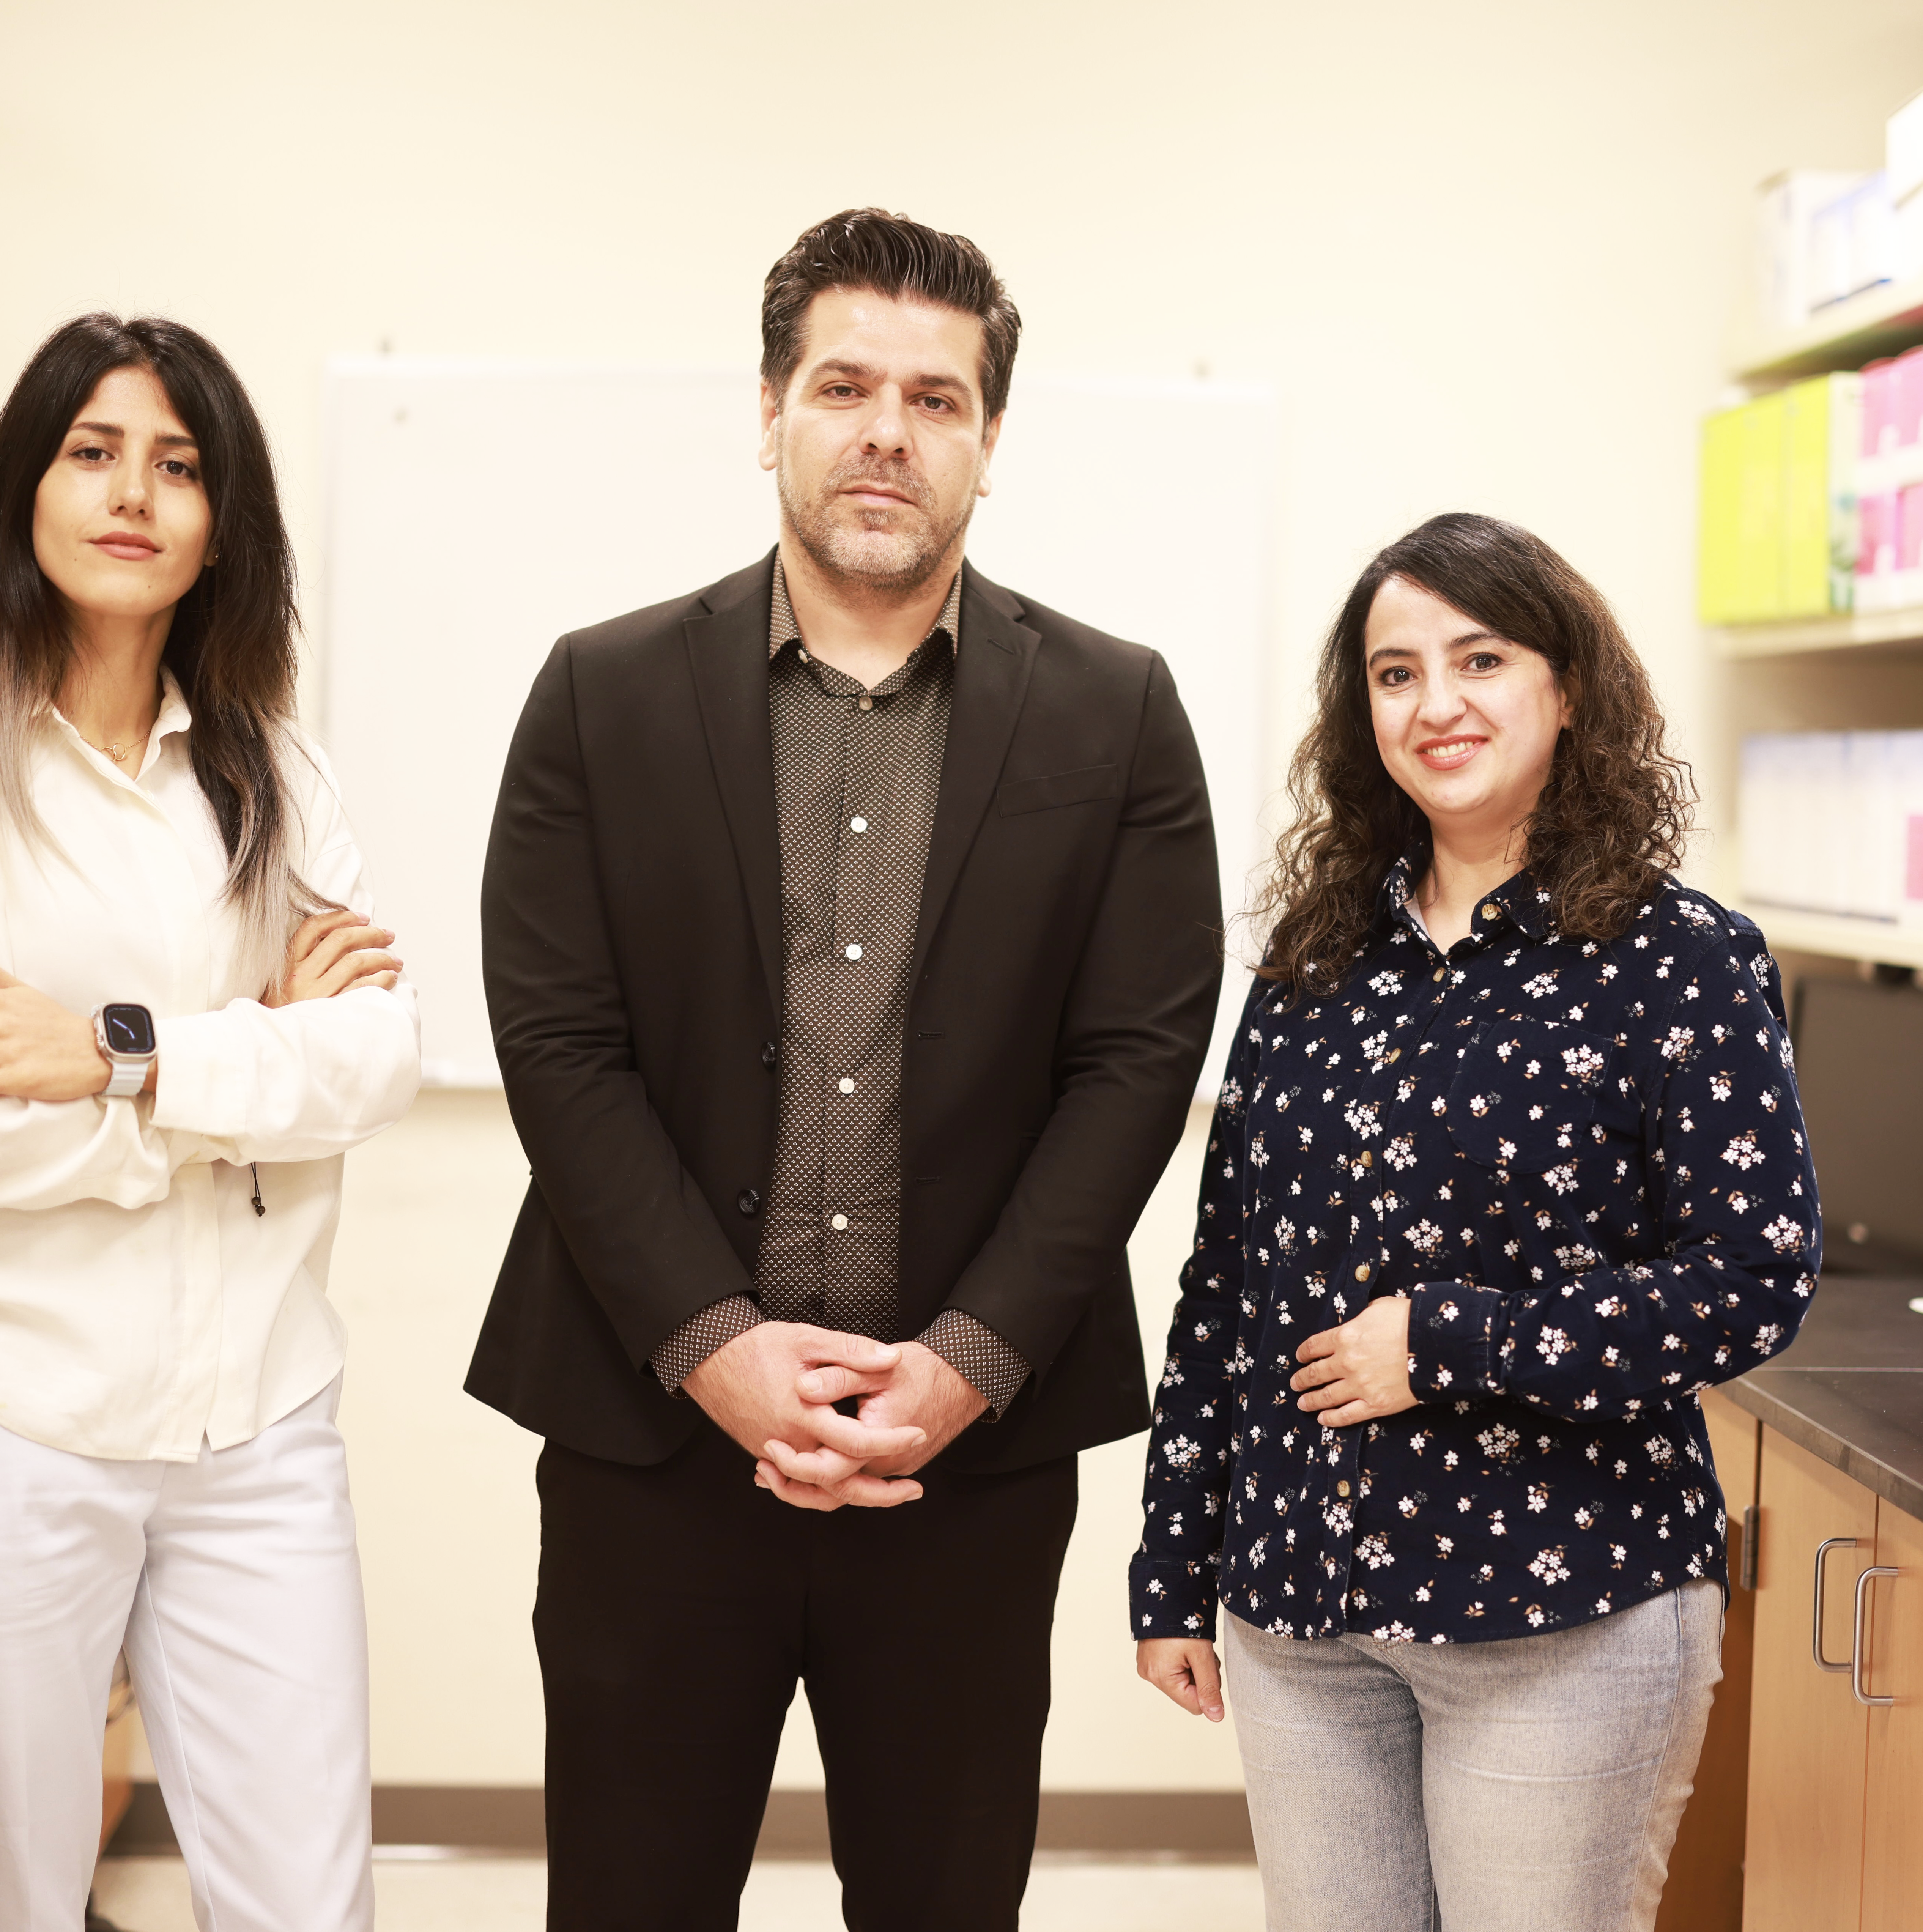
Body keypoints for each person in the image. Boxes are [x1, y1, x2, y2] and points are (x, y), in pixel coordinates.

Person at [471, 208, 1223, 1930]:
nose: (888, 431)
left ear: (989, 442)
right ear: (769, 411)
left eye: (937, 399)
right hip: (655, 1452)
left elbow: (1135, 1063)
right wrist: (715, 1349)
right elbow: (561, 1050)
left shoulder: (1117, 713)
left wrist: (964, 1367)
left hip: (963, 1459)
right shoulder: (602, 695)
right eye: (846, 385)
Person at [0, 313, 421, 1932]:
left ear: (224, 523)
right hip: (5, 1419)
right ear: (27, 487)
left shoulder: (275, 776)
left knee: (307, 1906)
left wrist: (117, 1058)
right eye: (93, 452)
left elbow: (377, 1062)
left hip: (257, 1421)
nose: (133, 493)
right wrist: (246, 1077)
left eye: (179, 464)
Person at [1129, 514, 1820, 1932]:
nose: (1435, 704)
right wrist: (1175, 1562)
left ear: (1568, 688)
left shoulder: (1679, 961)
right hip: (1301, 1610)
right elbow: (1227, 1285)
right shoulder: (1313, 962)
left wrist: (1447, 1341)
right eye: (1395, 674)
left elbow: (1753, 1278)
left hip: (1560, 1614)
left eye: (1480, 659)